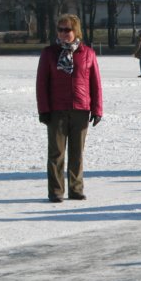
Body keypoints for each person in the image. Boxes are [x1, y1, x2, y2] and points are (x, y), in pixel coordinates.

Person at [36, 14, 102, 203]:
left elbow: (95, 84)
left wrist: (97, 109)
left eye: (68, 30)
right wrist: (44, 109)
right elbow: (42, 84)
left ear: (76, 31)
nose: (64, 33)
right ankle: (56, 191)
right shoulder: (49, 53)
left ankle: (76, 189)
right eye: (60, 29)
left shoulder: (87, 53)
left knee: (77, 153)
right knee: (56, 153)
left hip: (81, 109)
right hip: (56, 110)